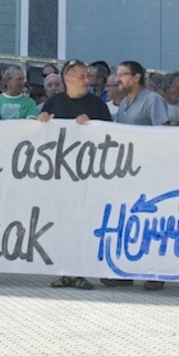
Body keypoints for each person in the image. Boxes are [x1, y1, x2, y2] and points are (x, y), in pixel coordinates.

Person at [38, 60, 112, 290]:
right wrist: (42, 123)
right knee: (61, 223)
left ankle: (81, 271)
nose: (86, 79)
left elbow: (110, 134)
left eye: (87, 75)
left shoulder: (97, 105)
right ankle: (64, 271)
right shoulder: (53, 103)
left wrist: (92, 126)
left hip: (87, 175)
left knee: (83, 223)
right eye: (81, 76)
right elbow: (39, 137)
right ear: (68, 79)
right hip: (60, 174)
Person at [103, 60, 168, 291]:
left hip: (150, 172)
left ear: (137, 77)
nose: (118, 78)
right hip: (128, 172)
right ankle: (126, 272)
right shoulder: (123, 105)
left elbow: (163, 133)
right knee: (130, 222)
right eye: (117, 74)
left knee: (152, 223)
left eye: (123, 74)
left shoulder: (153, 100)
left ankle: (156, 272)